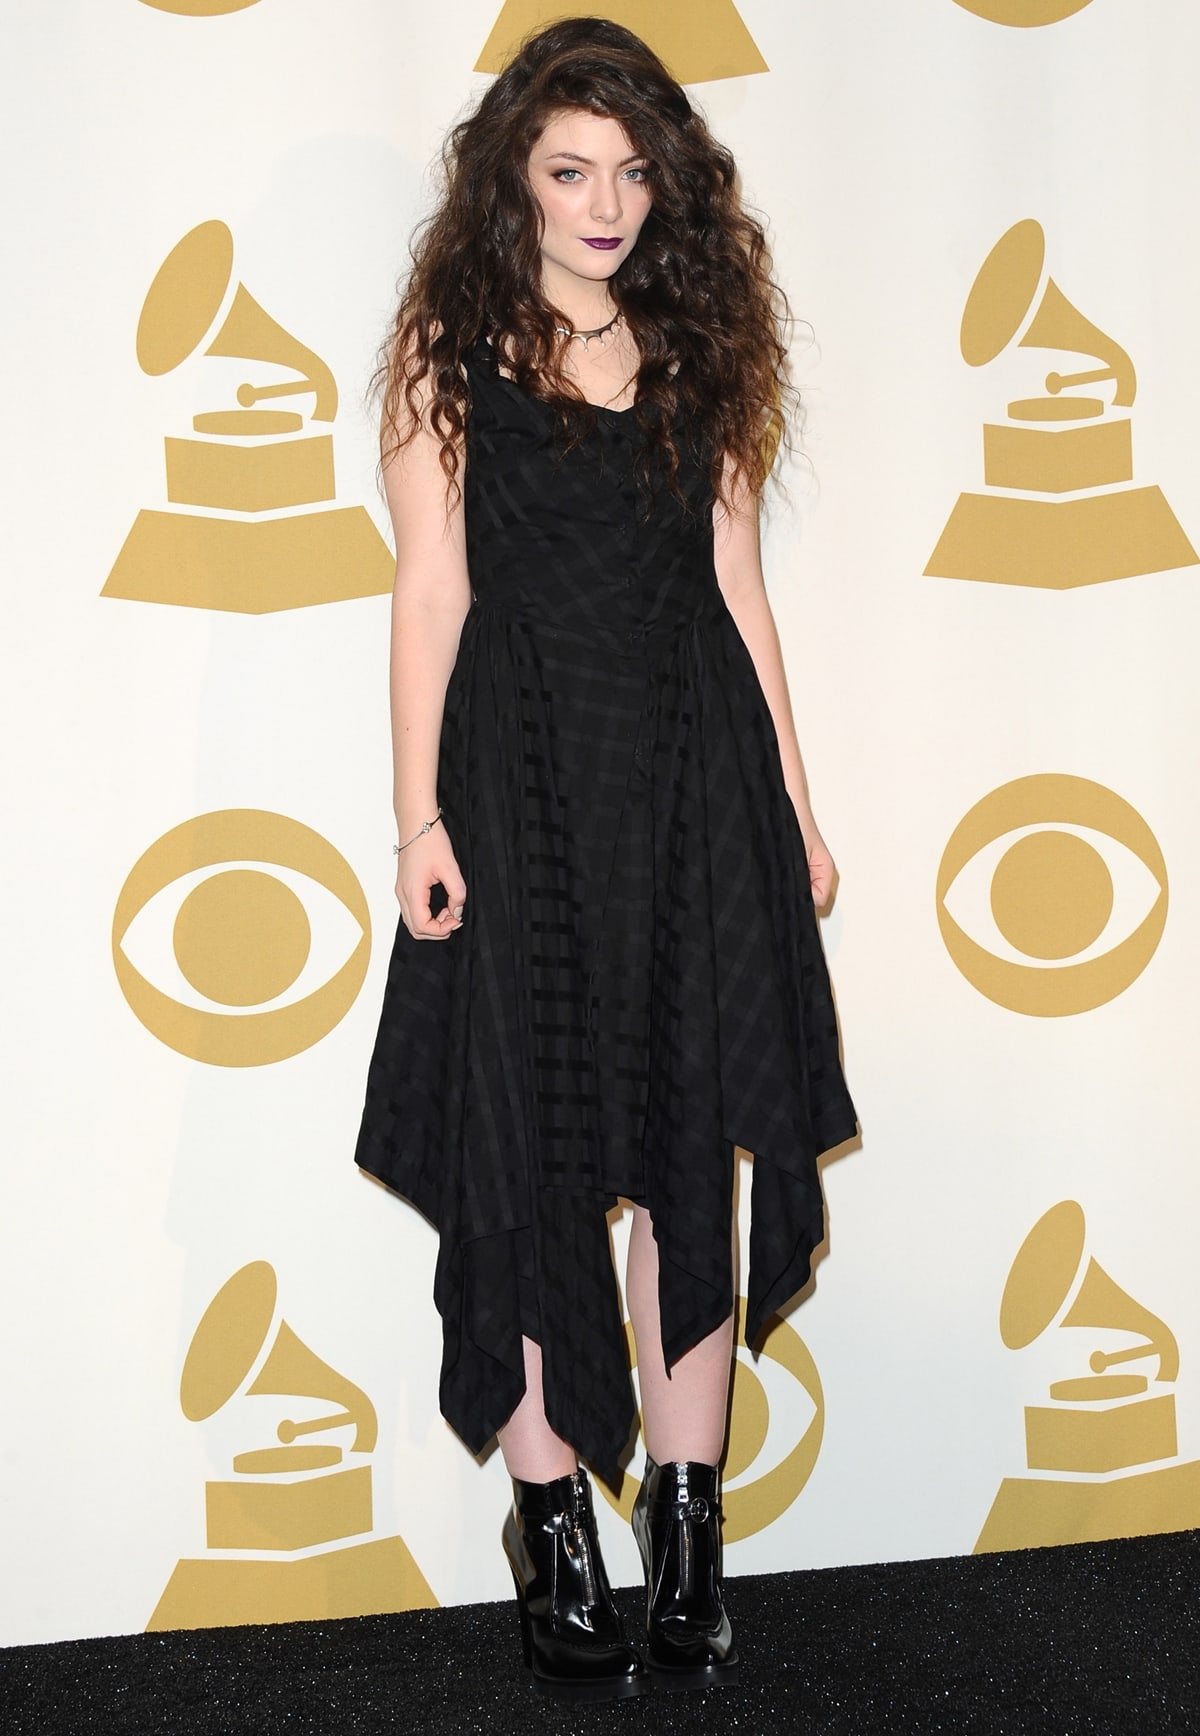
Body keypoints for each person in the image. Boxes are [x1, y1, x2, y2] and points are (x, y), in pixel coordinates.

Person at [354, 15, 857, 1702]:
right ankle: (554, 1518)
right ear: (512, 176)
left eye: (636, 173)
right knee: (530, 1152)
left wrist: (790, 804)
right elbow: (431, 593)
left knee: (691, 1154)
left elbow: (739, 589)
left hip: (689, 784)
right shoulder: (448, 350)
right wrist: (420, 818)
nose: (607, 203)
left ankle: (694, 1529)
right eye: (572, 169)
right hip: (521, 788)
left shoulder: (699, 348)